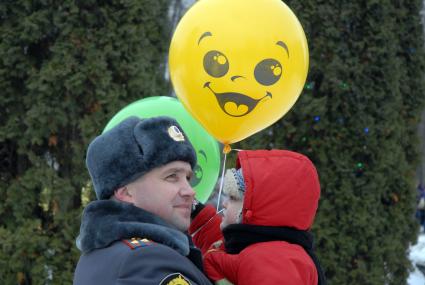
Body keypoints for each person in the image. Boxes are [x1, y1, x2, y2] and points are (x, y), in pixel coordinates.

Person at [73, 116, 212, 285]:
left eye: (188, 177)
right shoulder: (144, 260)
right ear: (125, 192)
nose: (190, 191)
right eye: (172, 176)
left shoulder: (102, 254)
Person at [190, 149, 326, 285]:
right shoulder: (262, 249)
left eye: (233, 198)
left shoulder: (274, 262)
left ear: (255, 208)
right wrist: (195, 210)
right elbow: (225, 249)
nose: (224, 204)